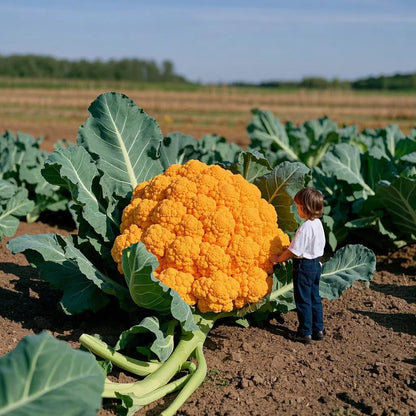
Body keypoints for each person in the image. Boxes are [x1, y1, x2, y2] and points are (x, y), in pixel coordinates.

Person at [274, 187, 326, 344]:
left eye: (298, 207)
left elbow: (294, 252)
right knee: (314, 298)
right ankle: (318, 330)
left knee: (303, 300)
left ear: (305, 208)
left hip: (303, 267)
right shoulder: (318, 224)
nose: (297, 211)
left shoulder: (305, 228)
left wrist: (278, 259)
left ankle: (305, 333)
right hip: (316, 264)